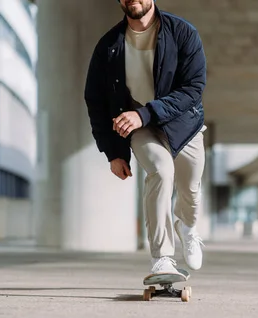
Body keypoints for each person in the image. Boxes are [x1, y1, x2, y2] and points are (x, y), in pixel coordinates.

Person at [84, 0, 207, 275]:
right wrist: (113, 153)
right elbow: (96, 101)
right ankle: (162, 257)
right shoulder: (109, 46)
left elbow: (194, 87)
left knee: (191, 190)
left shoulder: (183, 33)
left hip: (184, 125)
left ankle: (187, 228)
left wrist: (148, 112)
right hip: (141, 127)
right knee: (161, 173)